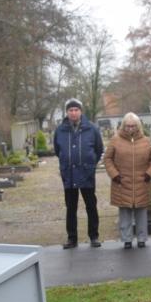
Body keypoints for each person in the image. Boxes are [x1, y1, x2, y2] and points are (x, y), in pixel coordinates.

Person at [54, 98, 104, 248]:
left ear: (81, 111)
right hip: (69, 175)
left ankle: (94, 236)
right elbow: (58, 151)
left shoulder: (92, 129)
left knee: (91, 205)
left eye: (76, 110)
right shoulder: (60, 130)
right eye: (70, 110)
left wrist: (90, 165)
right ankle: (72, 238)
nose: (73, 113)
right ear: (67, 112)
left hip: (87, 174)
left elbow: (99, 149)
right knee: (71, 207)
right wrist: (65, 163)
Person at [104, 112, 151, 249]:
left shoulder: (146, 141)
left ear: (138, 126)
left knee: (141, 212)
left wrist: (149, 173)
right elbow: (107, 158)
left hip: (142, 182)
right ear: (123, 126)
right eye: (127, 126)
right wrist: (114, 175)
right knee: (125, 212)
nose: (130, 129)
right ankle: (126, 239)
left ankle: (141, 238)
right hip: (121, 182)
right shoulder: (115, 140)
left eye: (133, 126)